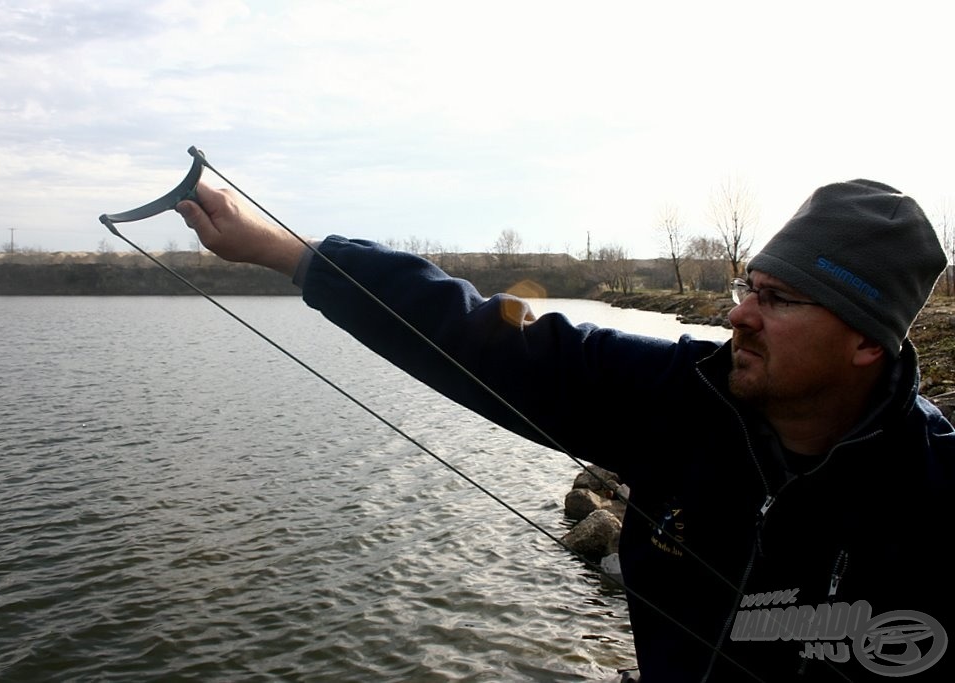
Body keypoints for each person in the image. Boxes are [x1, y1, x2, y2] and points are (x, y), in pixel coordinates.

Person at [176, 179, 953, 682]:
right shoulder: (677, 398)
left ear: (864, 340)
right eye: (748, 285)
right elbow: (483, 335)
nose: (738, 313)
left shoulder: (937, 489)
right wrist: (286, 253)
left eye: (780, 300)